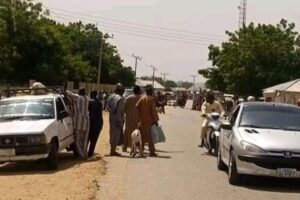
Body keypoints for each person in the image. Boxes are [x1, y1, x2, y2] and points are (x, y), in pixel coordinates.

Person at [136, 84, 159, 157]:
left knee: (142, 137)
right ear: (151, 91)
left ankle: (140, 151)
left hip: (142, 120)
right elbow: (154, 111)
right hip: (149, 121)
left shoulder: (142, 98)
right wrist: (156, 120)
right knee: (150, 138)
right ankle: (152, 152)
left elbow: (137, 106)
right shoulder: (151, 99)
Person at [67, 88, 90, 158]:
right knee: (84, 139)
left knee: (77, 140)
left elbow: (68, 93)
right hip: (86, 122)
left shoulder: (77, 97)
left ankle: (81, 155)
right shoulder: (87, 98)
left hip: (78, 122)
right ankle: (85, 153)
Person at [106, 84, 125, 156]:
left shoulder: (110, 97)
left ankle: (112, 149)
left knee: (112, 133)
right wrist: (119, 121)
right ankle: (112, 151)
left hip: (111, 117)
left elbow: (107, 108)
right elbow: (119, 111)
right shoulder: (120, 98)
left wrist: (112, 112)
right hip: (117, 118)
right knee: (116, 135)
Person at [123, 85, 142, 152]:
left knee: (126, 133)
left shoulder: (128, 98)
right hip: (137, 119)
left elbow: (124, 108)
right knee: (136, 134)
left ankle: (124, 148)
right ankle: (133, 148)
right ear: (139, 91)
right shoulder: (141, 98)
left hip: (128, 118)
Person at [87, 90, 103, 158]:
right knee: (94, 140)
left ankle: (84, 152)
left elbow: (88, 111)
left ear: (91, 94)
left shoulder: (90, 102)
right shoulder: (100, 103)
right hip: (99, 123)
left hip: (91, 123)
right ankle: (90, 153)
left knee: (87, 138)